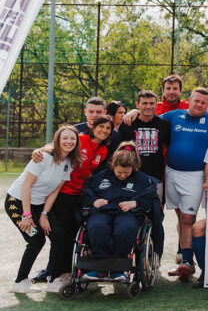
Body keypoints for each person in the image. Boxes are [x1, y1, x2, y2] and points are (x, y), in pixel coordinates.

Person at [32, 116, 112, 286]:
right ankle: (54, 273)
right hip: (63, 193)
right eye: (101, 127)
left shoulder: (103, 151)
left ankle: (68, 272)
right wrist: (39, 150)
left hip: (80, 196)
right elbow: (57, 147)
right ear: (93, 127)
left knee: (74, 235)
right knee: (60, 236)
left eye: (107, 128)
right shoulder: (80, 140)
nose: (104, 131)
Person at [163, 87, 208, 280]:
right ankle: (186, 258)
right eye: (196, 101)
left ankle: (187, 261)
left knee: (187, 219)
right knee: (180, 217)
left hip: (194, 176)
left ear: (207, 105)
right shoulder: (174, 116)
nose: (199, 105)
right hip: (171, 173)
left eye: (203, 102)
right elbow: (151, 119)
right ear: (189, 100)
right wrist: (133, 112)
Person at [7, 126, 77, 293]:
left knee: (59, 235)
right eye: (65, 138)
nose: (68, 141)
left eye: (72, 139)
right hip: (17, 202)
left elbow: (55, 191)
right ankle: (20, 282)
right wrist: (26, 215)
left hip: (39, 205)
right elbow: (26, 185)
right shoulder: (43, 157)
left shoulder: (69, 163)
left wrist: (44, 214)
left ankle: (53, 280)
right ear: (57, 140)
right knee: (36, 240)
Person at [81, 143, 160, 281]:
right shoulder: (101, 176)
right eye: (119, 172)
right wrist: (94, 201)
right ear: (113, 166)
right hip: (102, 212)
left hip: (127, 213)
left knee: (125, 229)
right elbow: (86, 192)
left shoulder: (142, 179)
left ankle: (118, 269)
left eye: (127, 173)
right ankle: (99, 269)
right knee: (98, 227)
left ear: (133, 168)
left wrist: (135, 203)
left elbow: (151, 199)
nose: (123, 175)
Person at [118, 89, 171, 261]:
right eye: (144, 103)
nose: (148, 107)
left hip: (155, 180)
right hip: (131, 178)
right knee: (128, 213)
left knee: (156, 217)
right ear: (137, 105)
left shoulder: (163, 125)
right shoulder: (127, 124)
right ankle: (125, 252)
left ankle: (155, 255)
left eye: (151, 103)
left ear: (156, 105)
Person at [75, 96, 122, 163]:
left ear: (105, 113)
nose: (94, 115)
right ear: (85, 112)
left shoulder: (115, 134)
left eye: (98, 112)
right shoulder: (75, 131)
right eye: (91, 112)